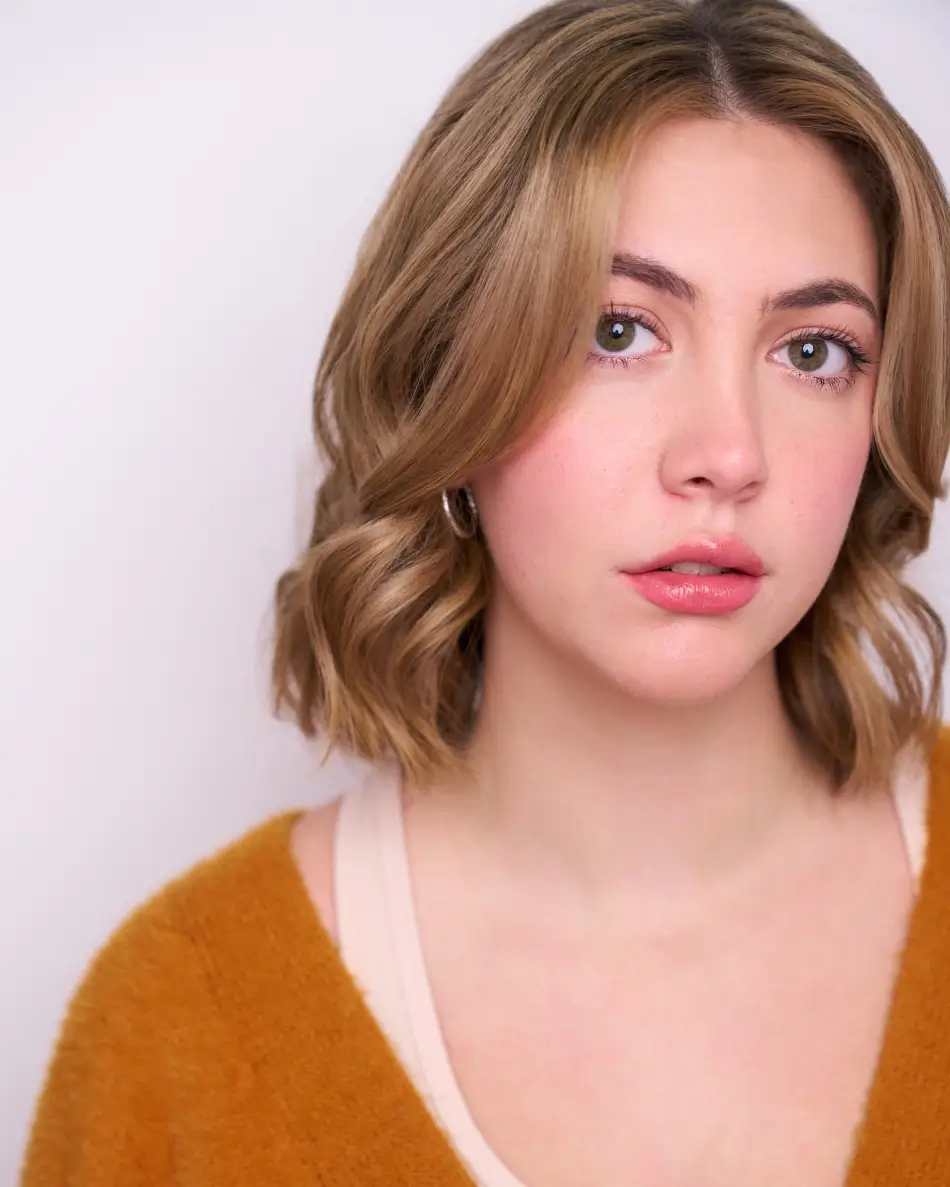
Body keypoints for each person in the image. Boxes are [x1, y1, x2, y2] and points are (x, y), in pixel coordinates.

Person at [20, 0, 950, 1184]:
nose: (727, 451)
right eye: (617, 330)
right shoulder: (177, 1020)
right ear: (446, 384)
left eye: (812, 351)